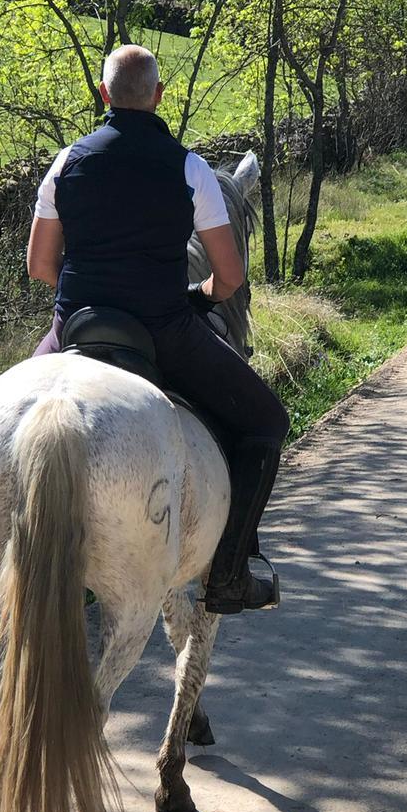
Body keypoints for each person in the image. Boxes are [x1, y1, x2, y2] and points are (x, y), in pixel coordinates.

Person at [26, 45, 289, 614]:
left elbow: (42, 267)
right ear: (159, 97)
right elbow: (230, 276)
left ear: (102, 96)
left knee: (11, 415)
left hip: (76, 326)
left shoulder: (65, 162)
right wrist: (200, 296)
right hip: (164, 334)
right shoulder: (190, 168)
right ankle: (227, 576)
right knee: (268, 421)